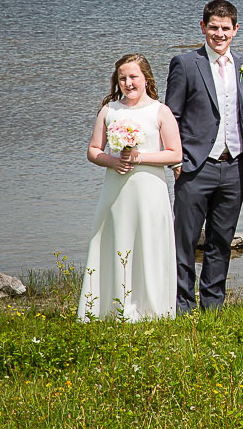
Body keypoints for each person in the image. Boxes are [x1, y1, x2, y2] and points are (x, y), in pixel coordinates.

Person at [166, 0, 243, 313]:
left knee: (222, 240)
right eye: (214, 28)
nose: (220, 34)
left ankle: (213, 305)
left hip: (235, 165)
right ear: (203, 27)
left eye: (226, 28)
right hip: (195, 166)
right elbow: (171, 116)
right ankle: (182, 305)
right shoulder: (185, 63)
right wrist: (176, 160)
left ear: (236, 30)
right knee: (186, 240)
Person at [78, 54, 182, 321]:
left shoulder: (161, 111)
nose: (128, 82)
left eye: (133, 76)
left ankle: (153, 309)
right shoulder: (109, 110)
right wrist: (112, 161)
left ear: (145, 78)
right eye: (122, 78)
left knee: (149, 243)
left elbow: (174, 154)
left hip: (150, 189)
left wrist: (140, 158)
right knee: (116, 241)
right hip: (117, 189)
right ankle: (112, 307)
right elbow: (92, 150)